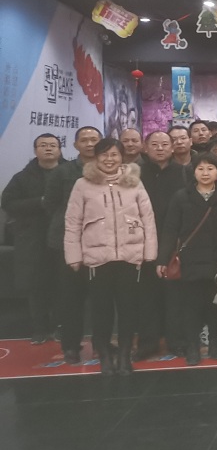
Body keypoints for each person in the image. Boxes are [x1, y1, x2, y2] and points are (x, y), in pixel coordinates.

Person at [64, 138, 157, 375]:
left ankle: (125, 355)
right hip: (97, 258)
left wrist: (150, 252)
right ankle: (104, 355)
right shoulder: (82, 184)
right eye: (104, 155)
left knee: (128, 310)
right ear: (96, 157)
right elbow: (73, 222)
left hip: (130, 257)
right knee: (101, 311)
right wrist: (73, 255)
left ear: (121, 157)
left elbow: (148, 218)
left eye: (114, 154)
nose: (109, 159)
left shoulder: (134, 182)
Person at [157, 151, 217, 366]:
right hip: (190, 261)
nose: (205, 173)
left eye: (210, 168)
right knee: (191, 308)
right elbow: (170, 230)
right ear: (194, 171)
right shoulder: (181, 196)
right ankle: (192, 347)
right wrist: (162, 259)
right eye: (200, 168)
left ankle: (215, 344)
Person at [45, 125, 102, 364]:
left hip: (101, 243)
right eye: (84, 140)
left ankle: (101, 343)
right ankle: (70, 345)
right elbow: (51, 203)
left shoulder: (108, 169)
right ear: (75, 144)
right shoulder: (63, 172)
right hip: (68, 244)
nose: (89, 144)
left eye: (94, 140)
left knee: (101, 297)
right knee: (70, 298)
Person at [2, 133, 64, 344]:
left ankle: (61, 326)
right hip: (33, 238)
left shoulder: (69, 172)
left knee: (62, 284)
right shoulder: (22, 177)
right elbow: (8, 203)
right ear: (35, 150)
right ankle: (39, 328)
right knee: (36, 285)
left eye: (53, 145)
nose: (48, 148)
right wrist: (40, 202)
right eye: (43, 145)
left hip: (63, 237)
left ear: (60, 149)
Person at [136, 131, 187, 360]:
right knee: (146, 297)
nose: (159, 148)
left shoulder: (184, 173)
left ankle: (176, 342)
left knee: (175, 297)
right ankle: (148, 343)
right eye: (154, 144)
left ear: (172, 147)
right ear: (145, 147)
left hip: (174, 243)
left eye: (164, 144)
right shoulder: (136, 174)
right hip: (142, 243)